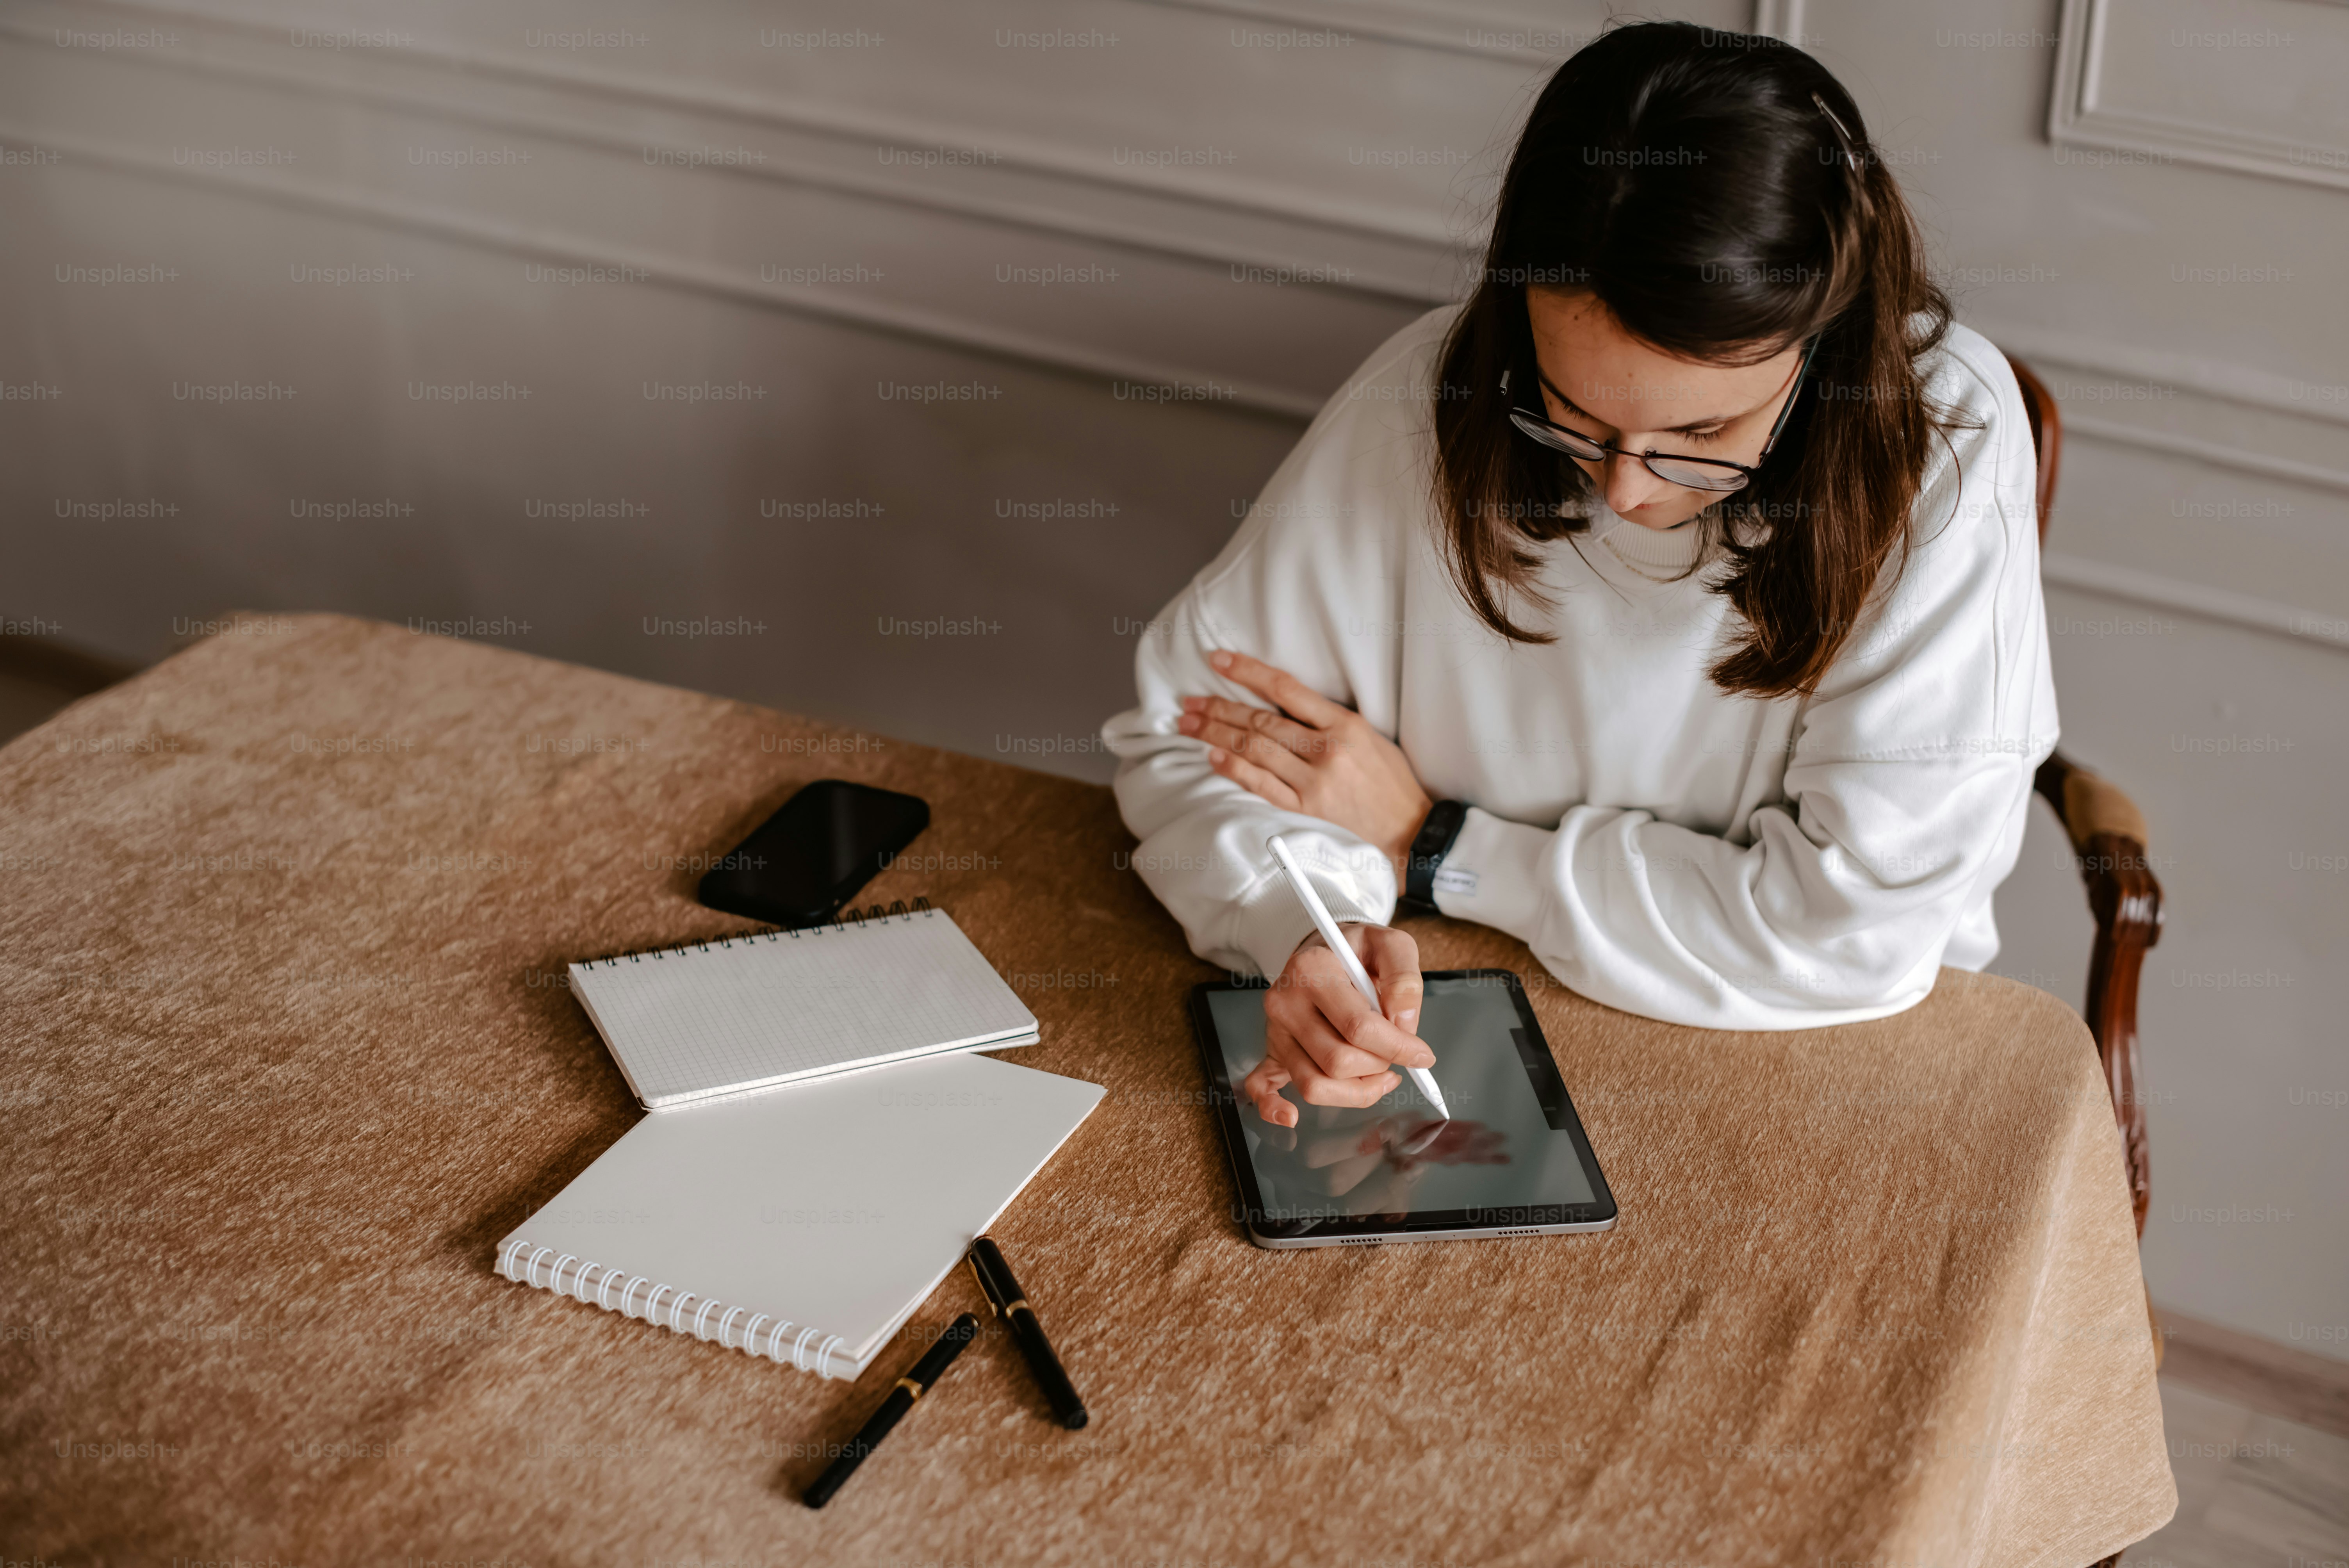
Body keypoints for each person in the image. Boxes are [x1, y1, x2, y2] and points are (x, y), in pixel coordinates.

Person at [1101, 22, 2057, 1130]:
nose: (1625, 495)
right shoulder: (1428, 393)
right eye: (1574, 416)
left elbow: (1851, 938)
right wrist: (1308, 926)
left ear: (1824, 343)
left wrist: (1436, 843)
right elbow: (1189, 734)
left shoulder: (1943, 443)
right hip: (1461, 1003)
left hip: (1812, 1059)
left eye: (1701, 430)